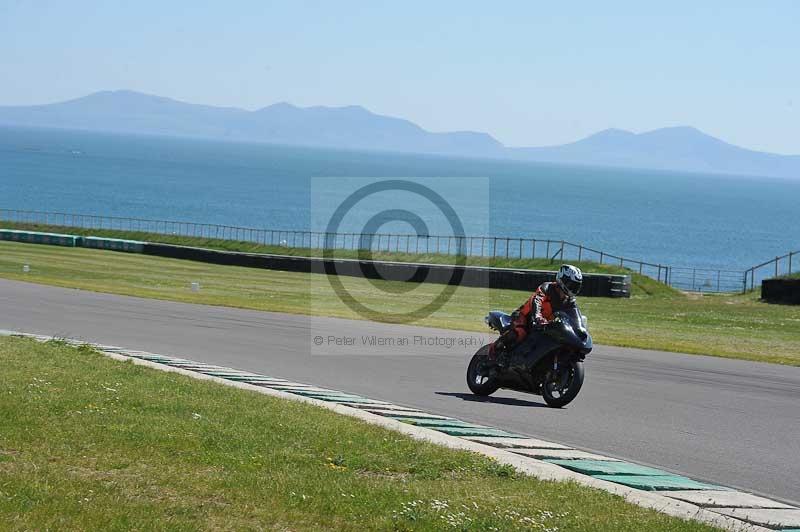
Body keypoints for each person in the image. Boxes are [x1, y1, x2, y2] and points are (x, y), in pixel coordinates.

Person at [488, 264, 583, 361]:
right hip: (524, 316)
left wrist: (581, 329)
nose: (573, 288)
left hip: (544, 324)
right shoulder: (547, 288)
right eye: (571, 285)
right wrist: (537, 316)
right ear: (563, 280)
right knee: (520, 332)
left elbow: (576, 315)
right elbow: (537, 300)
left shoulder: (569, 302)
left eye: (576, 286)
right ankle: (494, 349)